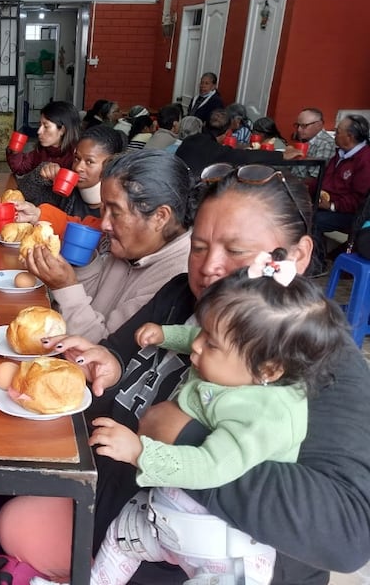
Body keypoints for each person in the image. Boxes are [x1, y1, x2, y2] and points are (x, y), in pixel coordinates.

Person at [0, 162, 370, 585]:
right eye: (200, 246)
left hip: (193, 556)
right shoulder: (180, 294)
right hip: (122, 503)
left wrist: (184, 437)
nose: (209, 267)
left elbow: (348, 531)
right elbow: (120, 361)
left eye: (235, 250)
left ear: (296, 257)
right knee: (11, 517)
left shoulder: (317, 358)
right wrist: (105, 364)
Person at [88, 249, 351, 585]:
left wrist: (140, 452)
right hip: (166, 514)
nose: (197, 347)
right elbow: (206, 338)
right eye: (202, 333)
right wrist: (167, 335)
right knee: (120, 541)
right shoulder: (240, 362)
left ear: (268, 369)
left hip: (220, 543)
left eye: (210, 345)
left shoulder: (265, 414)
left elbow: (212, 467)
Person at [20, 150, 192, 343]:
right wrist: (84, 264)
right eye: (103, 209)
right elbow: (91, 301)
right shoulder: (128, 245)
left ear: (160, 217)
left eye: (116, 212)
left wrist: (66, 286)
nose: (104, 224)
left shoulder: (177, 279)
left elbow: (102, 352)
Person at [13, 125, 125, 234]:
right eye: (77, 158)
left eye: (89, 162)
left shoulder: (118, 211)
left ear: (111, 164)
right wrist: (40, 175)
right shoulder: (67, 192)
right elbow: (20, 196)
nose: (78, 167)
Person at [310, 114, 370, 275]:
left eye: (337, 132)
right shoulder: (341, 154)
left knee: (314, 219)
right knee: (300, 209)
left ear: (349, 136)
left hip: (352, 214)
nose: (335, 135)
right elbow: (324, 181)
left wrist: (332, 205)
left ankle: (317, 265)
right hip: (329, 203)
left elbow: (361, 201)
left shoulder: (365, 160)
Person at [177, 108, 301, 179]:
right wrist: (281, 155)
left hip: (174, 183)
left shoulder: (189, 140)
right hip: (190, 196)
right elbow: (247, 156)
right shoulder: (215, 150)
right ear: (226, 133)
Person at [6, 100, 80, 177]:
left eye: (46, 126)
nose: (39, 131)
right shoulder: (42, 151)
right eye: (40, 125)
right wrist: (14, 152)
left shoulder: (77, 157)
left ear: (62, 130)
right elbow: (20, 168)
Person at [292, 107, 336, 180]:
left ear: (319, 124)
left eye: (304, 126)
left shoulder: (325, 143)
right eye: (298, 125)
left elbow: (314, 178)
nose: (299, 130)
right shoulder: (306, 140)